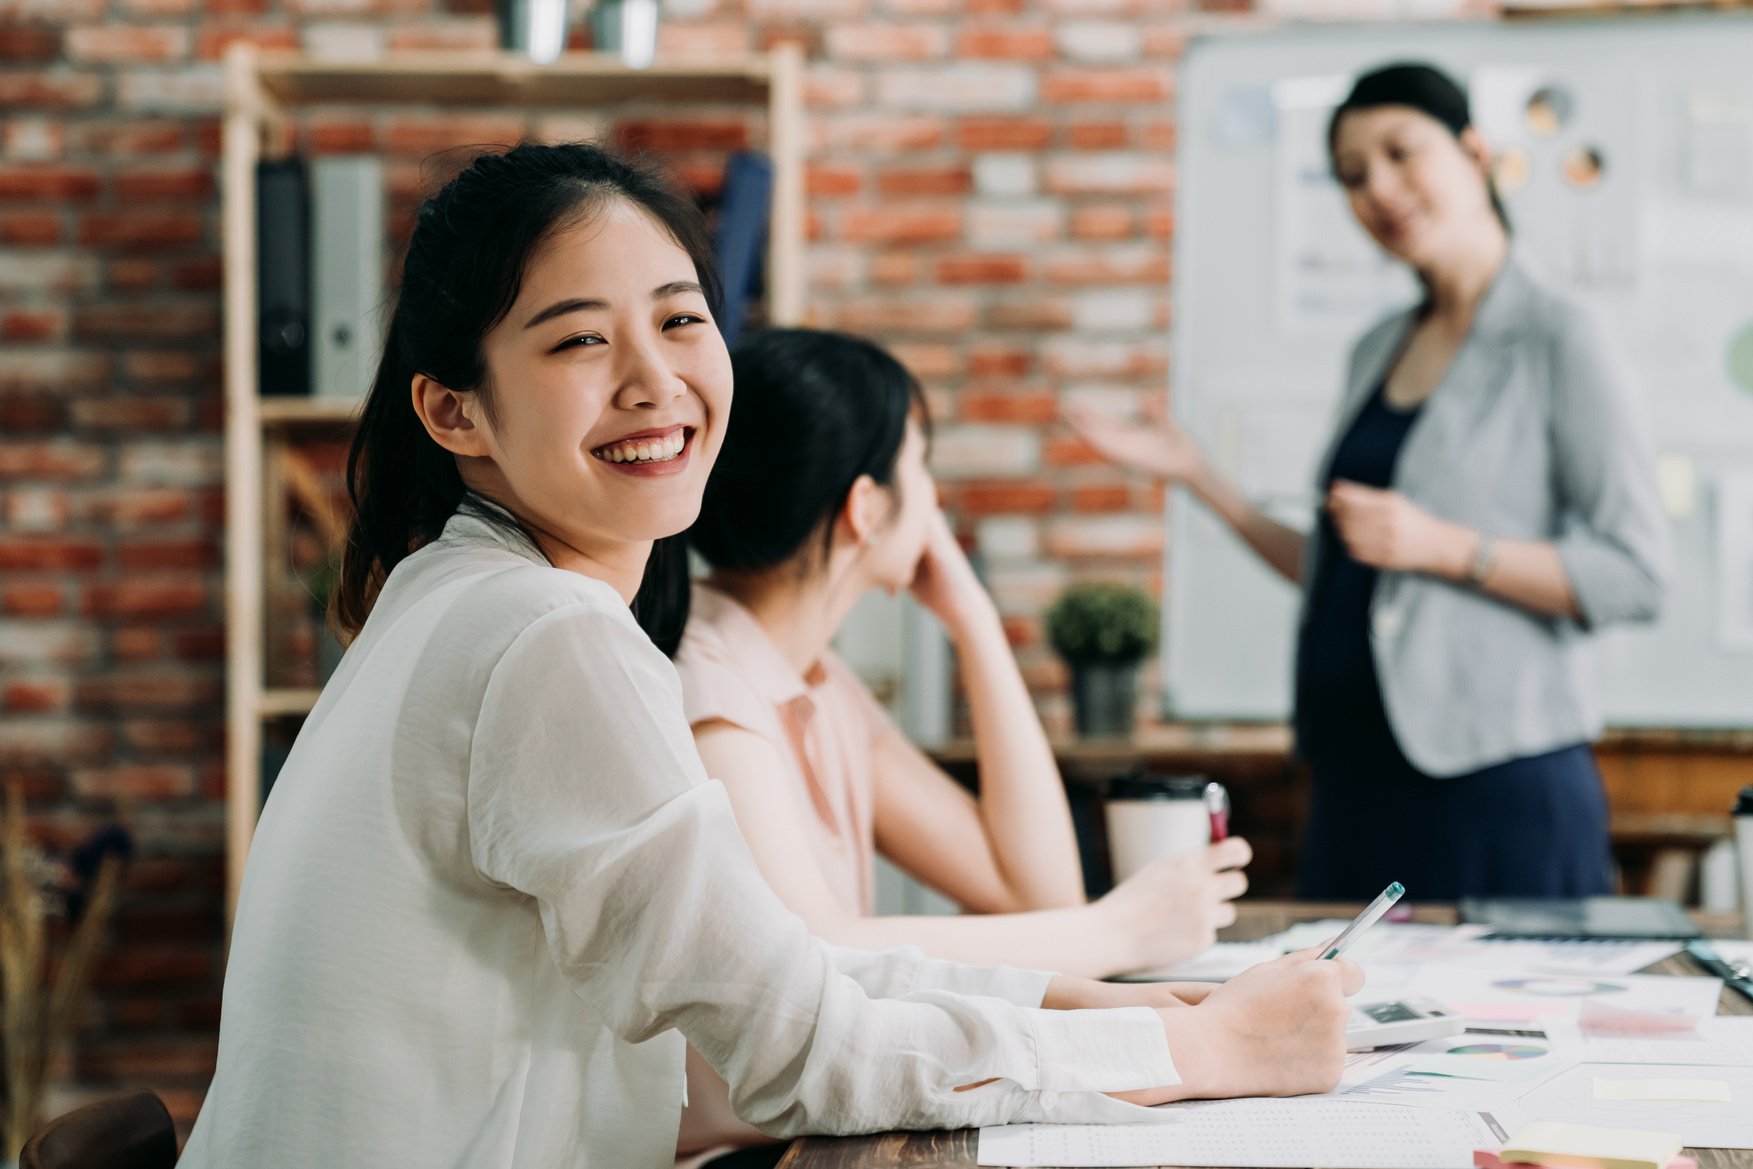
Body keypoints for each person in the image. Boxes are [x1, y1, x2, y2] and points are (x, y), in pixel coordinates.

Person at [178, 143, 1363, 1168]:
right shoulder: (543, 636)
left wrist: (1129, 1012)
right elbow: (804, 1052)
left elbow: (778, 964)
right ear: (455, 413)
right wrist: (1198, 1049)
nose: (656, 380)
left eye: (681, 318)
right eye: (581, 340)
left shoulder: (455, 595)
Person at [1070, 63, 1668, 903]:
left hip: (1493, 784)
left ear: (1472, 150)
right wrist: (1199, 477)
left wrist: (1444, 546)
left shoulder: (1559, 335)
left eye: (1399, 152)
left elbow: (1632, 575)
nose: (1378, 188)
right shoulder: (1377, 344)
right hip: (1350, 775)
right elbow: (1345, 563)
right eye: (1352, 175)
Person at [668, 328, 1253, 1164]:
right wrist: (1114, 932)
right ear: (867, 508)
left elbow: (1028, 889)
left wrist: (974, 624)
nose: (935, 502)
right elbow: (815, 950)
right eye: (922, 466)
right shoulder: (708, 683)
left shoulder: (810, 675)